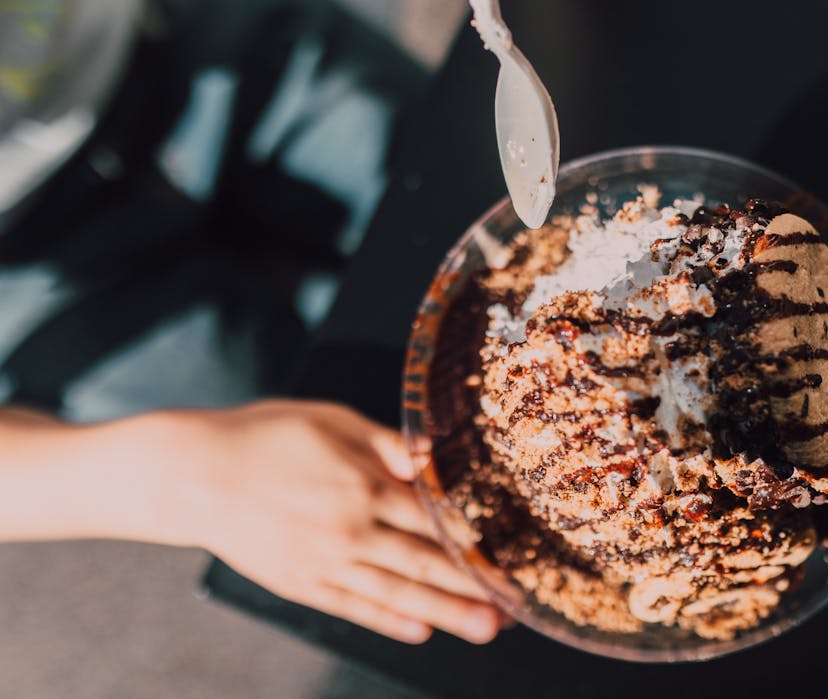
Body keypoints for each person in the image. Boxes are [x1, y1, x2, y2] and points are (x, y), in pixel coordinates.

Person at [0, 0, 505, 646]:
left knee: (495, 241)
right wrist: (177, 479)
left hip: (192, 41)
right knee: (356, 468)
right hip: (34, 290)